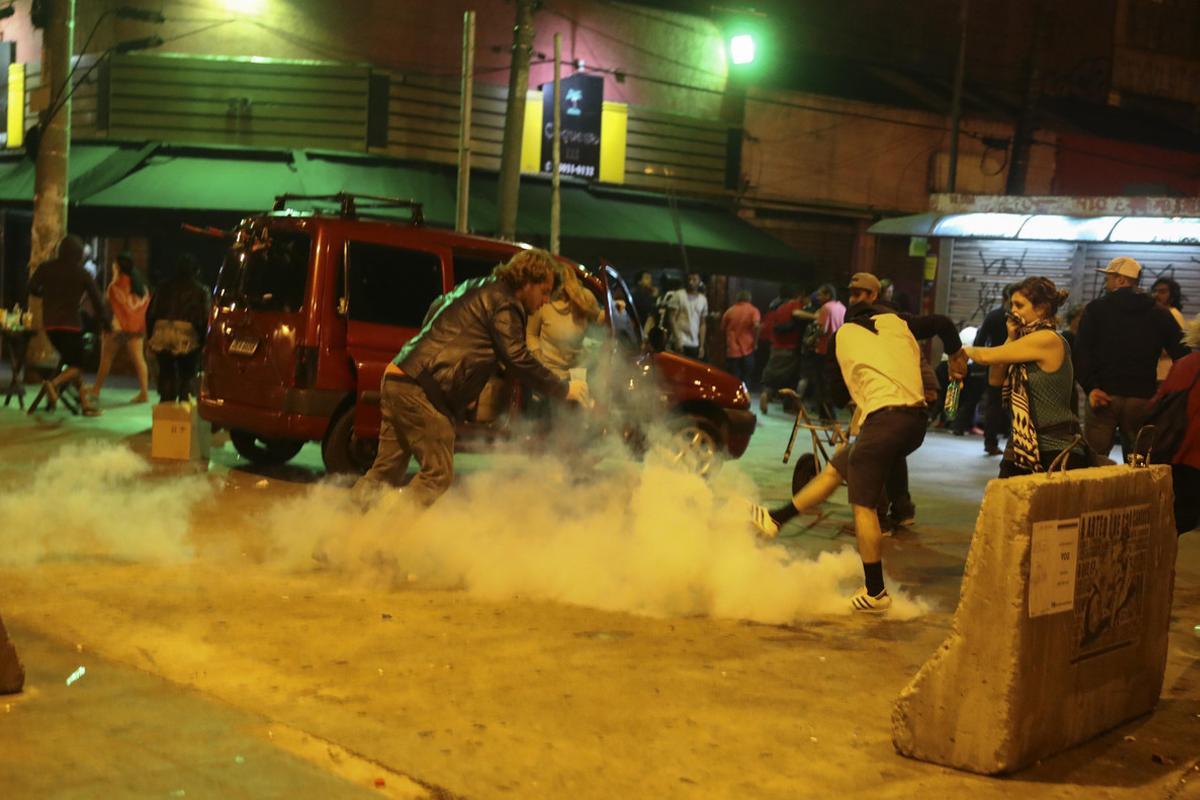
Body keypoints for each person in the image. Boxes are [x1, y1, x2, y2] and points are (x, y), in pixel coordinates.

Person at [750, 272, 968, 611]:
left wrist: (854, 386)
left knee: (863, 507)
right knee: (836, 469)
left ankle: (876, 592)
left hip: (885, 420)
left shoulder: (841, 338)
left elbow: (837, 395)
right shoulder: (898, 322)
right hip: (914, 421)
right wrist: (956, 355)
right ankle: (776, 518)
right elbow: (941, 322)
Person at [355, 249, 590, 507]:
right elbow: (517, 358)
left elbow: (435, 310)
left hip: (398, 376)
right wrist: (563, 389)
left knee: (384, 472)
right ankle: (384, 532)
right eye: (544, 291)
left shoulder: (477, 286)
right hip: (421, 391)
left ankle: (341, 534)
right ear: (528, 281)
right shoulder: (505, 302)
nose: (545, 300)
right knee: (437, 476)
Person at [963, 277, 1088, 477]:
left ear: (1041, 309)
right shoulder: (1022, 341)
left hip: (1053, 448)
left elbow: (987, 356)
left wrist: (958, 352)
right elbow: (995, 380)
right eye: (1011, 304)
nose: (1013, 311)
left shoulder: (1048, 339)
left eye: (1019, 305)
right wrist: (1010, 337)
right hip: (1023, 444)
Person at [1075, 257, 1188, 460]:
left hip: (1103, 396)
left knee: (1094, 459)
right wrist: (1165, 392)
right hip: (1142, 399)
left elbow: (1081, 352)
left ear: (1120, 280)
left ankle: (1102, 493)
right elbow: (1183, 354)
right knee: (1140, 460)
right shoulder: (1159, 312)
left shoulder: (1096, 309)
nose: (1106, 283)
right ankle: (1136, 493)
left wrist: (1091, 387)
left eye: (1109, 278)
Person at [27, 235, 108, 416]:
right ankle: (53, 384)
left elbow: (32, 287)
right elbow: (97, 301)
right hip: (71, 325)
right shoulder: (81, 273)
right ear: (78, 254)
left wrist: (45, 295)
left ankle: (85, 405)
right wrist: (105, 321)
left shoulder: (46, 268)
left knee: (71, 362)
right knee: (78, 365)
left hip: (50, 326)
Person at [1152, 314, 1200, 534]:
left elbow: (1158, 403)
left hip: (1178, 451)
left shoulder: (1183, 364)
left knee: (1177, 521)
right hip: (1193, 455)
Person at [147, 253, 211, 402]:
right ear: (196, 271)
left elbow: (151, 313)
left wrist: (151, 335)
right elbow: (204, 317)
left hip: (161, 331)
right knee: (187, 373)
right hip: (187, 334)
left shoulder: (163, 287)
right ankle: (183, 408)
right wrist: (203, 341)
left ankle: (166, 406)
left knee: (166, 372)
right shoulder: (201, 290)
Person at [89, 251, 150, 403]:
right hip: (136, 330)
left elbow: (108, 307)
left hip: (116, 329)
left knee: (106, 360)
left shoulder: (114, 287)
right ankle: (144, 393)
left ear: (117, 267)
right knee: (139, 360)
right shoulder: (142, 287)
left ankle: (96, 390)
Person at [527, 265, 603, 379]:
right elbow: (530, 334)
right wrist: (540, 360)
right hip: (548, 374)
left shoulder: (584, 298)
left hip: (576, 373)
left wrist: (617, 308)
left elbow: (601, 319)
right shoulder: (543, 302)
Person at [971, 283, 1018, 455]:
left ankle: (991, 443)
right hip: (1015, 365)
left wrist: (984, 360)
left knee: (994, 405)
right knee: (1015, 405)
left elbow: (979, 341)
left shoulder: (993, 316)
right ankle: (1014, 444)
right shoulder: (1020, 319)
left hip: (996, 366)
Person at [792, 284, 846, 415]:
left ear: (828, 295)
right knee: (829, 383)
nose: (818, 296)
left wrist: (810, 340)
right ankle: (830, 412)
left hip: (823, 350)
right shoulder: (842, 307)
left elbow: (822, 329)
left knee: (820, 384)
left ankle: (824, 414)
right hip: (836, 350)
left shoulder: (826, 308)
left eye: (821, 294)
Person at [758, 285, 805, 414]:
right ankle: (788, 405)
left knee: (773, 376)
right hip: (790, 348)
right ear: (798, 295)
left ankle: (766, 394)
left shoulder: (778, 308)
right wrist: (814, 316)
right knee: (790, 378)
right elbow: (797, 314)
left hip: (776, 347)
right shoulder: (794, 305)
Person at [663, 272, 708, 360]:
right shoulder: (679, 295)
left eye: (694, 279)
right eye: (689, 279)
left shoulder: (703, 299)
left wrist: (701, 346)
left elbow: (702, 323)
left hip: (694, 343)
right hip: (680, 341)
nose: (691, 282)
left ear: (699, 281)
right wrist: (677, 338)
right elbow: (671, 317)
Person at [720, 290, 760, 386]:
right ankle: (744, 397)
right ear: (749, 299)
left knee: (733, 378)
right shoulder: (753, 310)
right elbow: (757, 326)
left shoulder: (730, 311)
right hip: (748, 349)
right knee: (746, 377)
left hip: (732, 350)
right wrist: (755, 342)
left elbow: (722, 329)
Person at [1151, 277, 1186, 385]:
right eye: (1154, 291)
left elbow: (1179, 345)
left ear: (1172, 297)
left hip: (1165, 374)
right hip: (1158, 372)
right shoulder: (1159, 314)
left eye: (1162, 292)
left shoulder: (1173, 314)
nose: (1156, 295)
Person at [630, 270, 658, 336]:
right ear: (639, 282)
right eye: (647, 278)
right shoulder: (638, 294)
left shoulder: (645, 293)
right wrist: (654, 297)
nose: (650, 281)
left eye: (650, 278)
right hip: (640, 329)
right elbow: (648, 309)